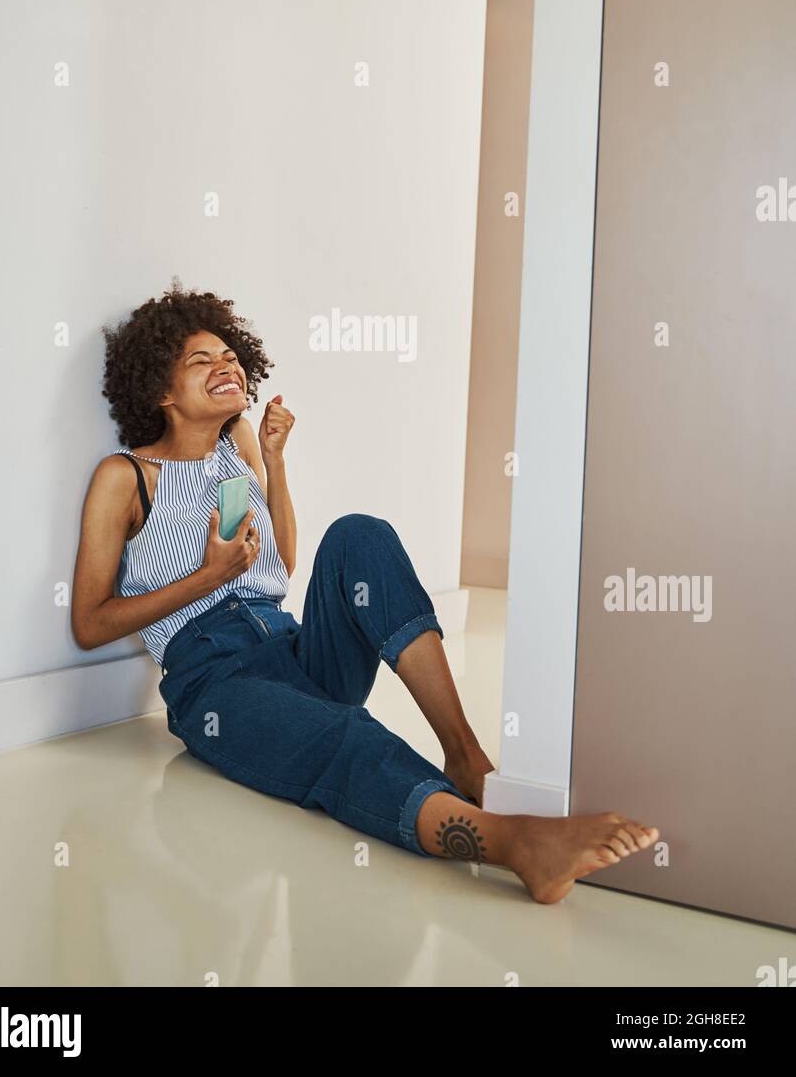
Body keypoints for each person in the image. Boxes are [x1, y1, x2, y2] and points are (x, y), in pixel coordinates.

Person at [71, 280, 659, 904]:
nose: (227, 366)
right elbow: (90, 622)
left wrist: (273, 461)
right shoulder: (125, 477)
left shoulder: (236, 448)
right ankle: (512, 844)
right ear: (161, 392)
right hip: (215, 681)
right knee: (346, 734)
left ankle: (466, 758)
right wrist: (207, 579)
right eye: (202, 361)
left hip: (293, 650)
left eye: (230, 355)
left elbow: (282, 564)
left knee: (358, 535)